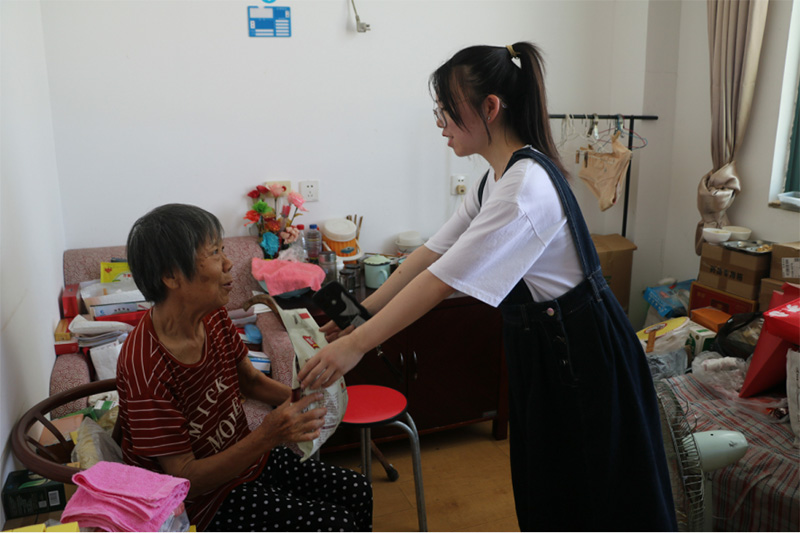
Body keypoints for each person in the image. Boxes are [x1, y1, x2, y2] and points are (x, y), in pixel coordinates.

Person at [298, 43, 677, 531]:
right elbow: (428, 254)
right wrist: (357, 316)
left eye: (446, 110)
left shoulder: (524, 188)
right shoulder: (494, 180)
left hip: (584, 354)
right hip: (547, 352)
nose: (441, 124)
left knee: (597, 498)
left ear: (490, 107)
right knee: (551, 490)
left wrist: (356, 346)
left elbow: (439, 283)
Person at [117, 203, 372, 532]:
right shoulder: (145, 364)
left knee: (358, 490)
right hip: (202, 505)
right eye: (214, 253)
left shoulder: (212, 315)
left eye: (222, 249)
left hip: (247, 463)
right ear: (170, 276)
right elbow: (184, 479)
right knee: (336, 524)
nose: (228, 263)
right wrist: (268, 435)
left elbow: (249, 381)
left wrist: (309, 402)